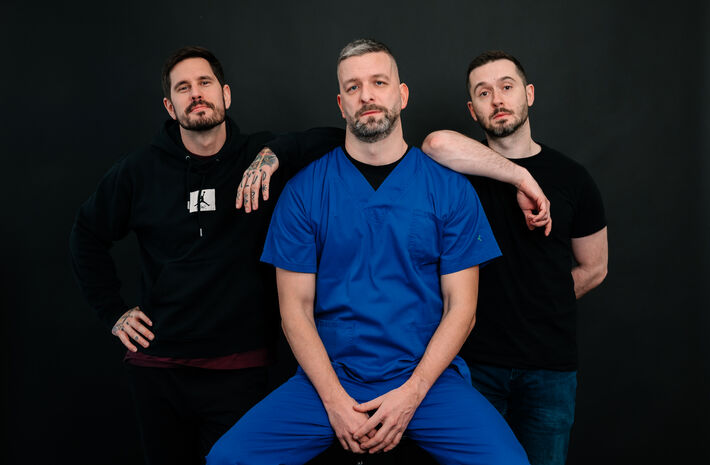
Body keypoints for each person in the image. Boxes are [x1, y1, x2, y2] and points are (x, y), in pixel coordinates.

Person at [207, 39, 532, 465]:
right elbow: (295, 311)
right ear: (341, 104)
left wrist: (412, 394)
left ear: (402, 94)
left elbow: (462, 309)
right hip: (331, 377)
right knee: (228, 458)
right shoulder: (304, 192)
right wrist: (334, 401)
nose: (367, 96)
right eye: (354, 87)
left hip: (427, 380)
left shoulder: (449, 189)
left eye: (379, 82)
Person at [69, 46, 342, 465]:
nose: (196, 93)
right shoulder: (139, 171)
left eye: (204, 83)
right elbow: (86, 234)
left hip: (239, 367)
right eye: (183, 88)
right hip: (158, 366)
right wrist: (112, 311)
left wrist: (275, 154)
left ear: (225, 95)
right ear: (170, 106)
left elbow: (334, 138)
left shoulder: (258, 157)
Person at [422, 50, 609, 465]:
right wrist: (521, 176)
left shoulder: (573, 178)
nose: (497, 99)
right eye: (483, 93)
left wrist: (542, 301)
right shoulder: (460, 173)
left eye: (507, 87)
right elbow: (434, 144)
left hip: (549, 369)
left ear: (529, 94)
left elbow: (595, 268)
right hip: (474, 365)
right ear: (472, 110)